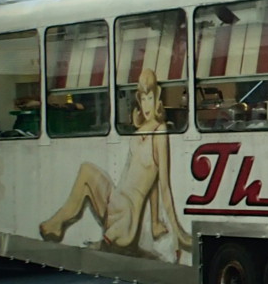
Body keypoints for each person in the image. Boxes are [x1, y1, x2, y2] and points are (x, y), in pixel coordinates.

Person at [39, 69, 192, 259]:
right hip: (114, 201)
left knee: (105, 193)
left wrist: (177, 230)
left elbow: (163, 185)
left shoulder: (160, 132)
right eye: (142, 98)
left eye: (150, 97)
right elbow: (151, 180)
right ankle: (56, 223)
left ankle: (60, 226)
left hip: (126, 217)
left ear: (157, 98)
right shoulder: (138, 133)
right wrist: (154, 221)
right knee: (86, 169)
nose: (146, 104)